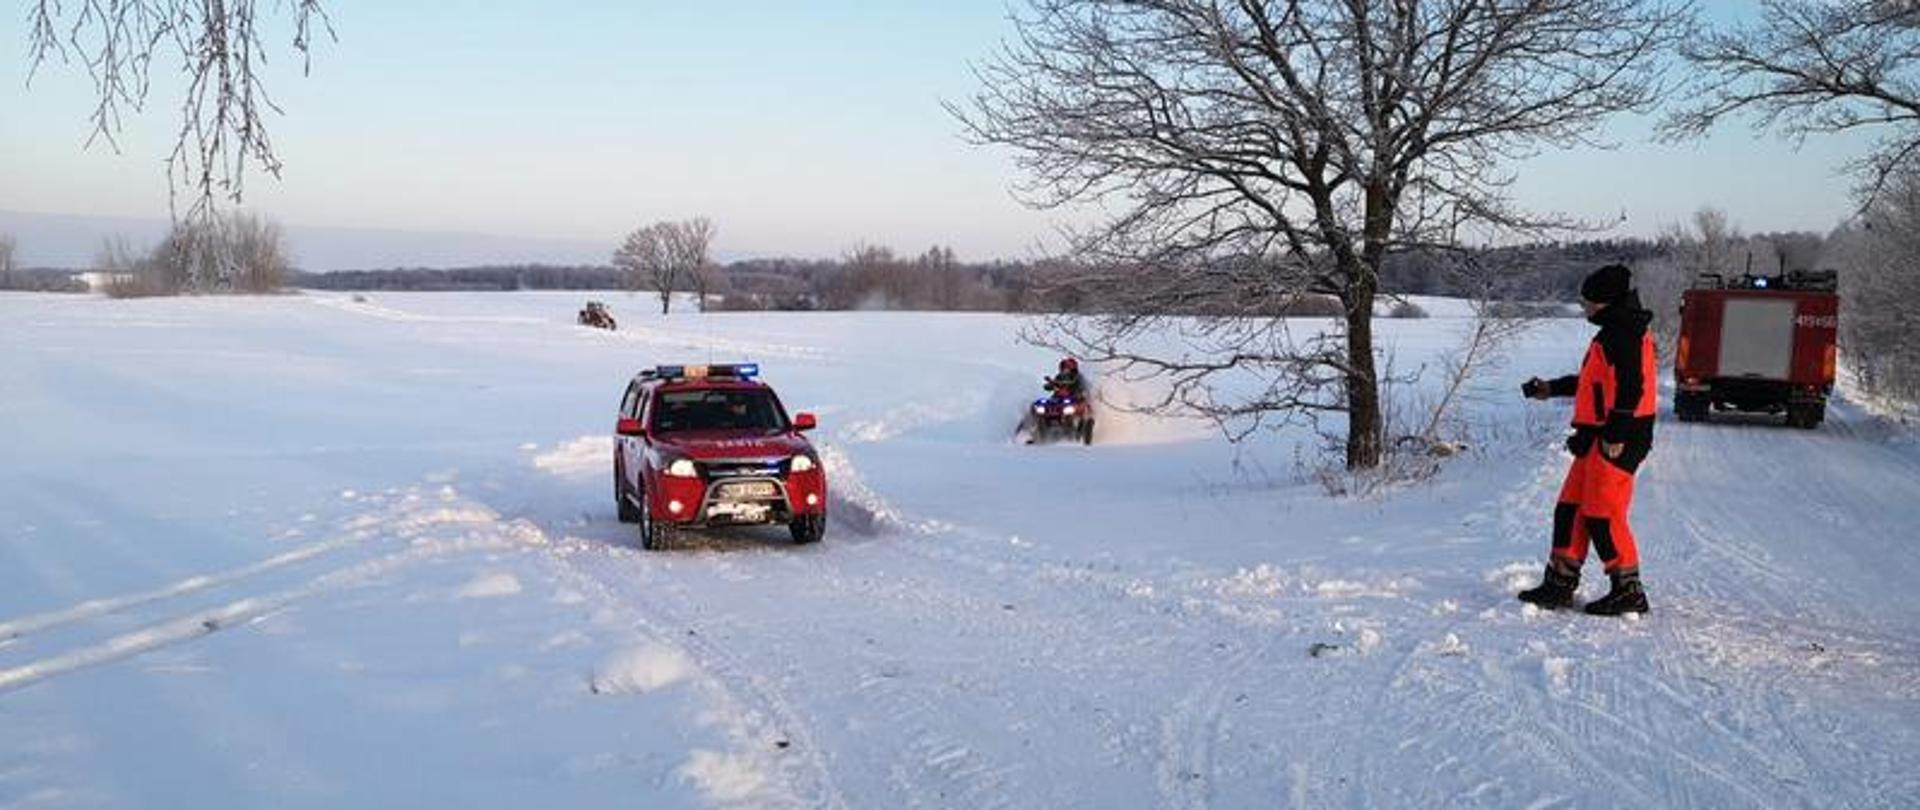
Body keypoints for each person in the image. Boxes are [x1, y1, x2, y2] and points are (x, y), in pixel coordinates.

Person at [1517, 264, 1655, 616]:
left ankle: (1628, 590)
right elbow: (1593, 383)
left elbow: (1632, 388)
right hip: (1597, 435)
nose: (1585, 307)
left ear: (1606, 301)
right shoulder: (1614, 331)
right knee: (1570, 508)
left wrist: (1616, 433)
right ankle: (1559, 583)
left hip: (1619, 437)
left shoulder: (1624, 333)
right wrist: (1551, 388)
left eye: (1589, 301)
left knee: (1603, 513)